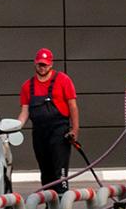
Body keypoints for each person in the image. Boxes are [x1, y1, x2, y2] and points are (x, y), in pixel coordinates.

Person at [15, 48, 79, 193]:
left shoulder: (63, 80)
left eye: (45, 64)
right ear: (35, 64)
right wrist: (13, 129)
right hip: (39, 133)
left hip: (60, 132)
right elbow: (24, 112)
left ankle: (63, 208)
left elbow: (73, 106)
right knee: (46, 172)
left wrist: (75, 130)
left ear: (51, 64)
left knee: (59, 172)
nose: (42, 67)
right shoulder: (27, 86)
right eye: (39, 64)